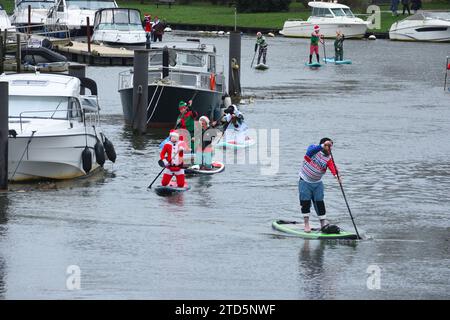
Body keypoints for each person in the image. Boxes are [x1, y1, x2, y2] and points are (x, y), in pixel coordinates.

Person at [298, 138, 339, 233]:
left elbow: (332, 167)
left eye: (331, 146)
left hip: (317, 183)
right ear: (322, 145)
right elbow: (311, 151)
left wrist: (336, 175)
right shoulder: (312, 149)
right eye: (327, 146)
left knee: (320, 203)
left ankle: (323, 225)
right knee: (305, 203)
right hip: (305, 181)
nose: (329, 148)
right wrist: (322, 146)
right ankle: (306, 225)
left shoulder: (328, 158)